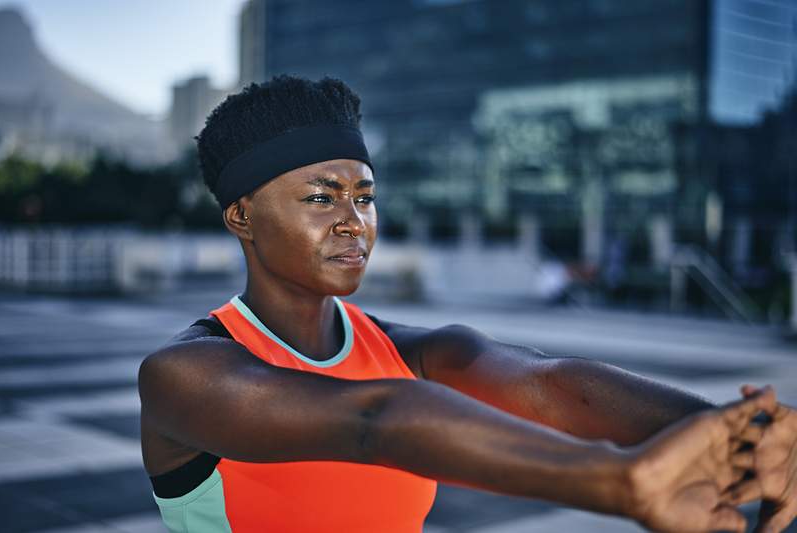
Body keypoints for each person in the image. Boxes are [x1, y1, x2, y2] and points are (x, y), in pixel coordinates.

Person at [138, 75, 797, 533]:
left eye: (363, 196)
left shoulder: (414, 352)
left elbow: (550, 384)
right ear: (242, 216)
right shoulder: (186, 374)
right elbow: (370, 420)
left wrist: (746, 440)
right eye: (321, 197)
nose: (353, 222)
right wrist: (621, 479)